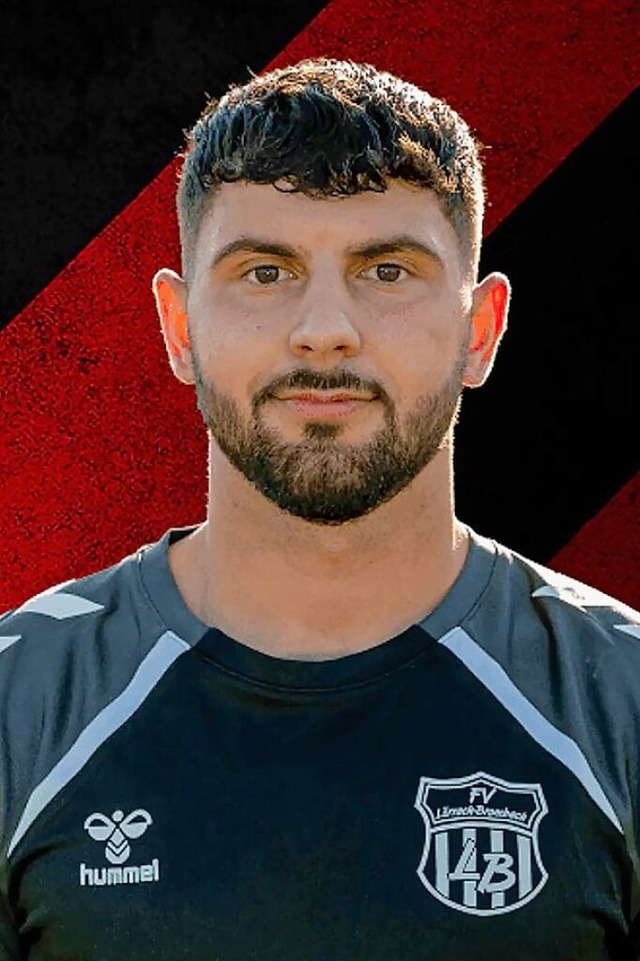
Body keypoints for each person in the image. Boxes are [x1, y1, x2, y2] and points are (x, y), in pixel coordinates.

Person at [0, 58, 638, 961]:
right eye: (266, 271)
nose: (325, 329)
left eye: (387, 269)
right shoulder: (21, 703)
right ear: (179, 329)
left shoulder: (621, 700)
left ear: (481, 329)